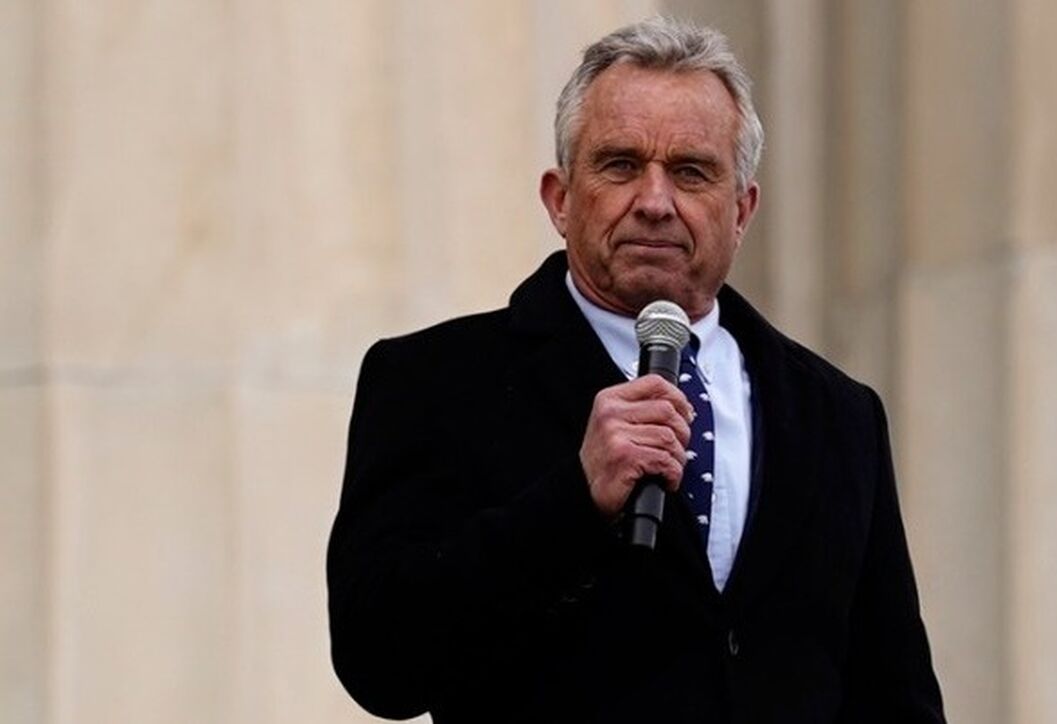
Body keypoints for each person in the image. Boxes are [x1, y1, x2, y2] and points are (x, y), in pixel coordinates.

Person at [327, 17, 945, 724]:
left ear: (742, 210)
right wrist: (574, 501)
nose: (654, 202)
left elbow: (894, 693)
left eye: (691, 172)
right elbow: (379, 662)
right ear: (560, 200)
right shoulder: (434, 382)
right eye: (620, 165)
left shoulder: (836, 414)